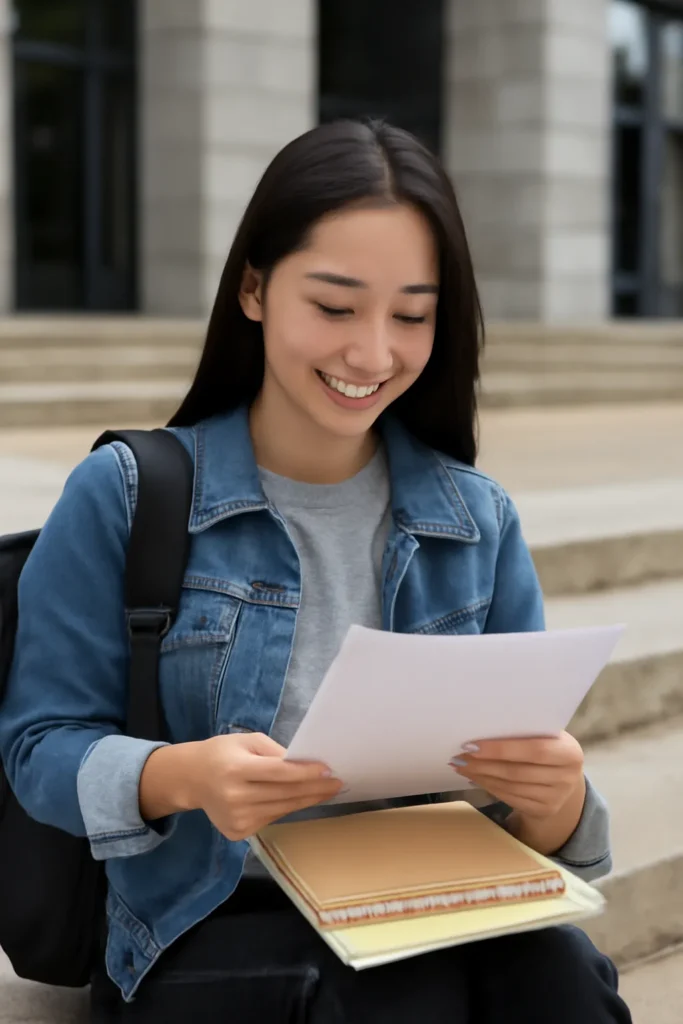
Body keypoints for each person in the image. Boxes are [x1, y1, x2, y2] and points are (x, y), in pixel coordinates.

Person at [0, 119, 631, 1024]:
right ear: (254, 287)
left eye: (411, 315)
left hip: (413, 904)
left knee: (564, 980)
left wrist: (558, 798)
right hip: (205, 917)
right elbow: (38, 748)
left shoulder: (474, 519)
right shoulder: (128, 493)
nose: (372, 355)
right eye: (334, 307)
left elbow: (527, 817)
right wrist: (183, 776)